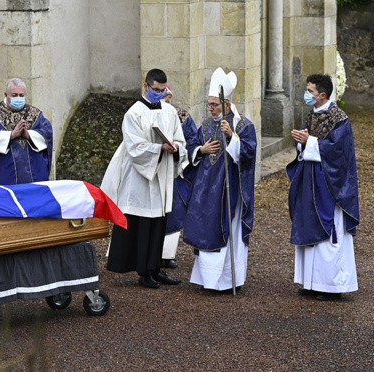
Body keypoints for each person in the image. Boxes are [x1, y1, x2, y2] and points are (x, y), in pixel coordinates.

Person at [101, 69, 188, 289]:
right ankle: (143, 271)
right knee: (142, 224)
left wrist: (176, 148)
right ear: (146, 86)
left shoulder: (169, 112)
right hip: (141, 178)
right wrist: (160, 148)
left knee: (158, 223)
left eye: (163, 90)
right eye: (156, 90)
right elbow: (135, 148)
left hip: (163, 175)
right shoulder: (133, 113)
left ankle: (155, 268)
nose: (160, 94)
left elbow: (181, 140)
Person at [287, 73, 360, 301]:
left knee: (329, 232)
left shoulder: (339, 119)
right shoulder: (313, 115)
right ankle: (311, 282)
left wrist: (308, 142)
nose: (306, 94)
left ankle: (331, 285)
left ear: (322, 95)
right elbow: (309, 144)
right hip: (310, 182)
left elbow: (338, 152)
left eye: (310, 91)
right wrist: (300, 141)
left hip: (330, 185)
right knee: (309, 225)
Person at [183, 68, 257, 291]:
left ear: (226, 105)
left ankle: (227, 279)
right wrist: (200, 150)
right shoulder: (206, 125)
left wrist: (230, 137)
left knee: (227, 230)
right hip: (205, 192)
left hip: (229, 190)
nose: (210, 109)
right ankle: (207, 279)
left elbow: (249, 155)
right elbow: (192, 149)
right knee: (205, 227)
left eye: (214, 105)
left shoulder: (244, 126)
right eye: (209, 104)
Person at [0, 78, 53, 188]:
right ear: (6, 94)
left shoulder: (36, 114)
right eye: (14, 95)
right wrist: (10, 135)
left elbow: (47, 132)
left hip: (34, 174)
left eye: (21, 95)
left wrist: (29, 135)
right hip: (3, 172)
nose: (18, 98)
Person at [160, 86, 201, 269]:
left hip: (174, 170)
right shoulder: (143, 113)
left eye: (165, 95)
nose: (163, 99)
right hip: (151, 169)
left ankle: (166, 254)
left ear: (170, 97)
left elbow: (192, 141)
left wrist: (179, 151)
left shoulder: (182, 116)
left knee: (173, 211)